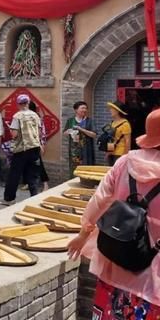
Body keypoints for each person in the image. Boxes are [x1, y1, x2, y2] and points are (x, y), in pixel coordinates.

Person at [68, 108, 160, 317]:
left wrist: (83, 235)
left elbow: (99, 201)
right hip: (153, 282)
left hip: (115, 266)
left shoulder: (125, 162)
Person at [2, 94, 42, 205]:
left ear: (18, 104)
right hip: (34, 147)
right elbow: (38, 133)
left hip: (21, 149)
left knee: (14, 174)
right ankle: (34, 198)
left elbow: (14, 134)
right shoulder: (35, 115)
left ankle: (9, 199)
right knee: (32, 175)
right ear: (28, 103)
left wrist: (9, 127)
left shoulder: (17, 116)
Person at [64, 101, 97, 176]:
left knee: (87, 168)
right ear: (76, 110)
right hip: (74, 150)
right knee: (74, 169)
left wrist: (81, 129)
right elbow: (65, 132)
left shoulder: (89, 121)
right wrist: (69, 131)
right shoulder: (70, 121)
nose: (84, 110)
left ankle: (87, 183)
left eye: (86, 108)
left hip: (87, 150)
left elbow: (94, 135)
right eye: (82, 108)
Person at [105, 100, 131, 166]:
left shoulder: (125, 124)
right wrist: (108, 152)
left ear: (117, 111)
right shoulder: (112, 123)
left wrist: (125, 155)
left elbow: (128, 141)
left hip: (120, 153)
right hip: (111, 153)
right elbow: (111, 139)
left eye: (112, 109)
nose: (110, 110)